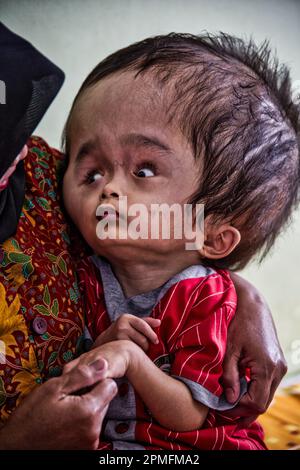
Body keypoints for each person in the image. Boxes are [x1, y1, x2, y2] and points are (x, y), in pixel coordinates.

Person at [0, 25, 288, 450]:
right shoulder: (90, 265)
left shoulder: (204, 298)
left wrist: (130, 357)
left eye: (144, 171)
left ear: (212, 235)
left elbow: (191, 414)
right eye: (92, 172)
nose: (107, 189)